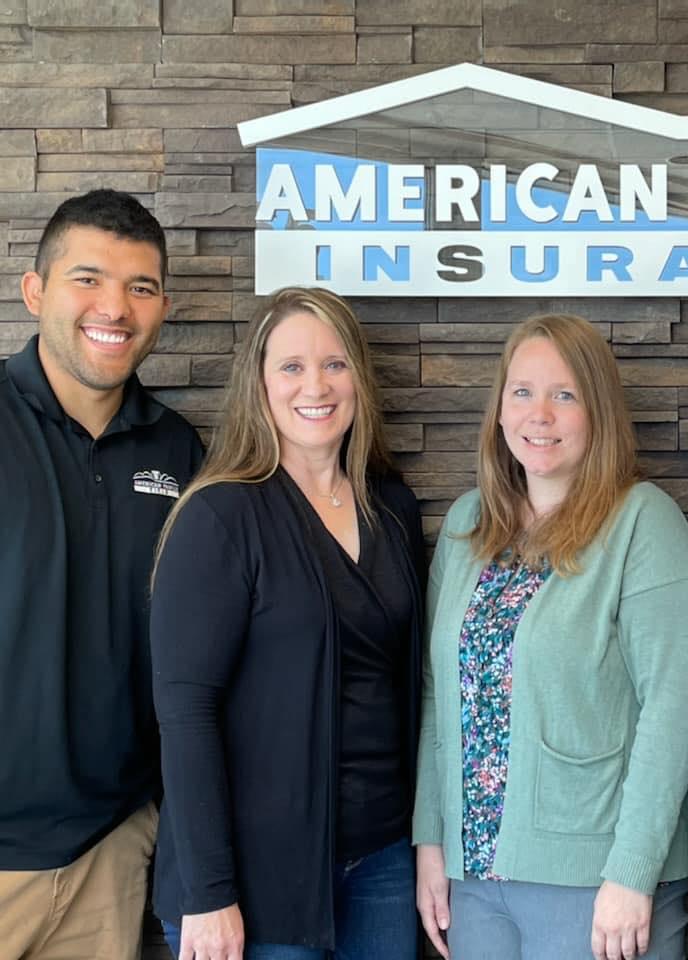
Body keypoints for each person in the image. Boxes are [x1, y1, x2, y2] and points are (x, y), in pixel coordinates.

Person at [413, 314, 688, 960]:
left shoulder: (642, 523)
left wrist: (631, 873)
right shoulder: (470, 524)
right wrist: (431, 843)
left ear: (598, 411)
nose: (538, 415)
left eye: (564, 394)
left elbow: (674, 709)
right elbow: (438, 695)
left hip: (597, 879)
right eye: (521, 392)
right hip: (476, 873)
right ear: (498, 409)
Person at [149, 287, 425, 960]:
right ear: (260, 383)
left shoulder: (391, 509)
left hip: (382, 860)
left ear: (359, 376)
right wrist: (209, 893)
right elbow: (186, 714)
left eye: (335, 364)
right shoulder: (220, 516)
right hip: (256, 877)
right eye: (292, 367)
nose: (316, 385)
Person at [0, 190, 203, 960]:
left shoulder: (178, 452)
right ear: (35, 290)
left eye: (140, 287)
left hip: (110, 858)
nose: (114, 307)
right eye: (88, 279)